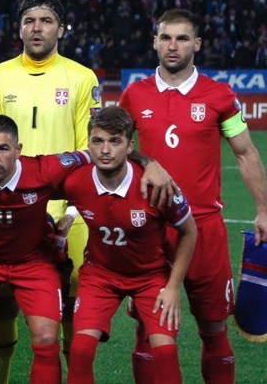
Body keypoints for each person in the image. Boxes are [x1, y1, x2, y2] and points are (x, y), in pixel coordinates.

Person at [0, 115, 173, 384]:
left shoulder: (45, 169)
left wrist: (150, 163)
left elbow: (100, 152)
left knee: (46, 338)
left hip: (34, 262)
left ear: (18, 150)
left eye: (3, 148)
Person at [119, 8, 267, 384]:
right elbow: (112, 149)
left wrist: (264, 209)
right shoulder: (134, 95)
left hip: (204, 228)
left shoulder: (219, 96)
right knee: (148, 329)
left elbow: (245, 153)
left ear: (197, 44)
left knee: (214, 328)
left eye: (182, 38)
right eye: (166, 37)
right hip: (151, 228)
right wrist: (146, 161)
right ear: (155, 42)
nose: (173, 46)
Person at [0, 0, 101, 381]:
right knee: (4, 298)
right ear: (18, 28)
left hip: (69, 210)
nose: (37, 28)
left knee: (74, 296)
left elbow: (89, 149)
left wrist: (74, 211)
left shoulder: (82, 78)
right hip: (11, 207)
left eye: (46, 21)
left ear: (61, 29)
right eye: (29, 20)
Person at [62, 106, 197, 383]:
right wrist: (67, 217)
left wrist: (173, 288)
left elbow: (189, 232)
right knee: (80, 350)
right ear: (88, 144)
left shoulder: (157, 187)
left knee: (166, 354)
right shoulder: (75, 183)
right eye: (98, 141)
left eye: (115, 141)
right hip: (100, 276)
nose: (105, 150)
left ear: (129, 146)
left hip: (151, 277)